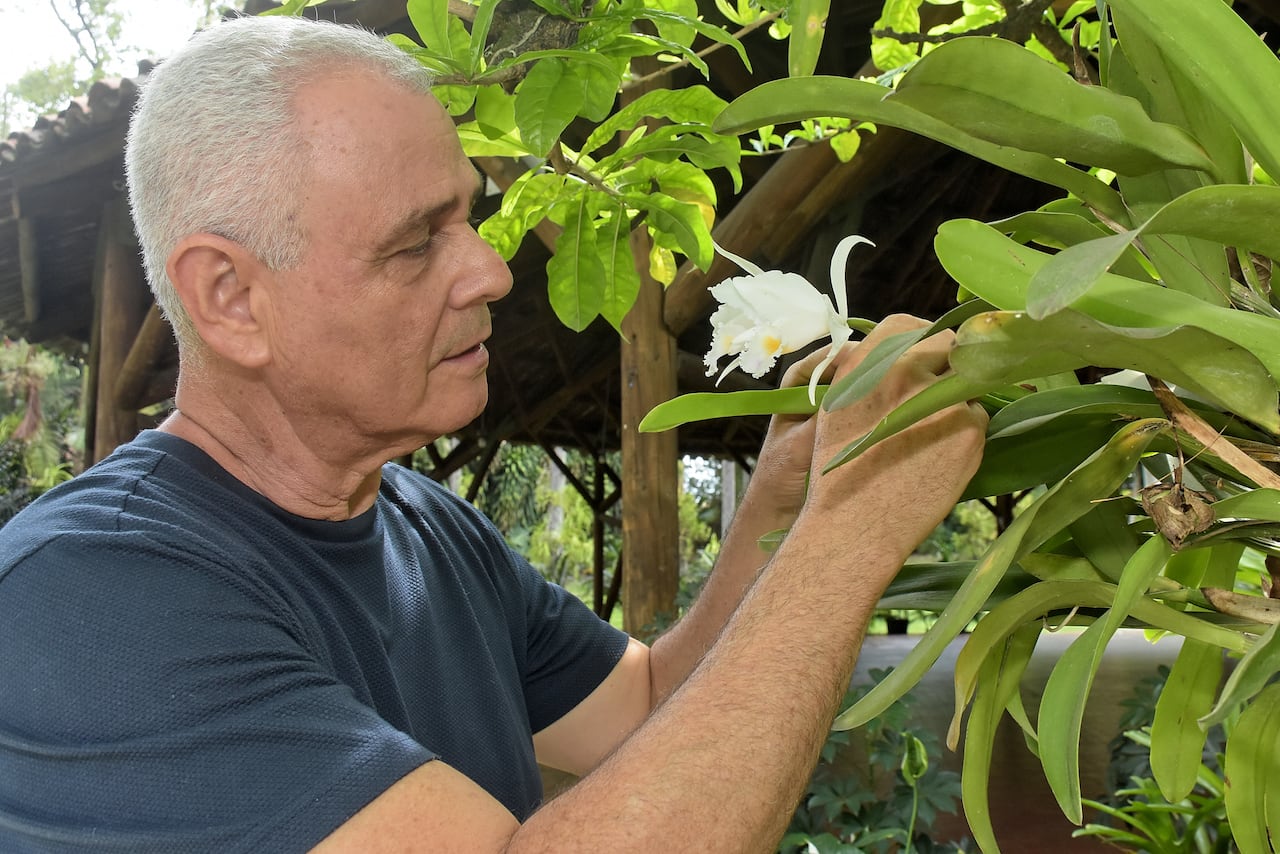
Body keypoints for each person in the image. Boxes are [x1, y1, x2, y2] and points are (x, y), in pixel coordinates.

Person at [0, 14, 986, 853]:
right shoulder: (85, 599)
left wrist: (782, 502)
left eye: (467, 215)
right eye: (416, 240)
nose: (488, 271)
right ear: (231, 298)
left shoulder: (425, 523)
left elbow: (646, 710)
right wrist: (846, 534)